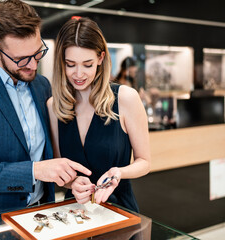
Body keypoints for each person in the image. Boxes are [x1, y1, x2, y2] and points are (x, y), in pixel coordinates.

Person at [0, 0, 91, 223]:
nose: (32, 65)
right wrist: (33, 171)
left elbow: (44, 156)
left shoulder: (41, 86)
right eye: (21, 59)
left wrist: (67, 179)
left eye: (38, 53)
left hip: (41, 217)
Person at [47, 17, 151, 212]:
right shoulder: (54, 106)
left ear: (101, 59)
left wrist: (118, 172)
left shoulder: (125, 98)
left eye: (87, 64)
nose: (78, 74)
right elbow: (62, 173)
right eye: (70, 64)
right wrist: (73, 183)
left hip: (119, 209)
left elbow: (144, 162)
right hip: (74, 212)